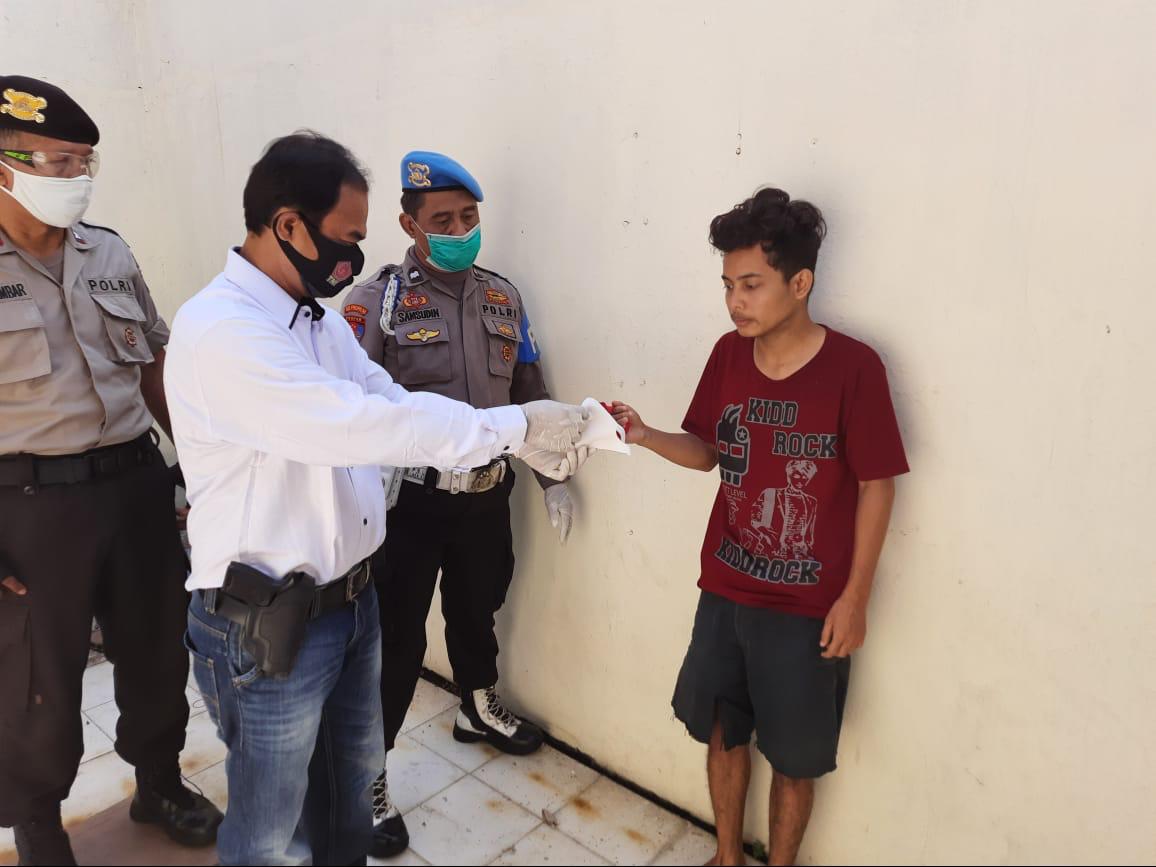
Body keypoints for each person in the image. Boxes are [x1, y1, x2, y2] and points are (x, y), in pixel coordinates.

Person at [164, 131, 587, 866]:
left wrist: (528, 442)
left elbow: (389, 397)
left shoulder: (318, 319)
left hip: (348, 605)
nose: (353, 258)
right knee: (272, 835)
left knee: (346, 809)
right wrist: (518, 427)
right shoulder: (224, 330)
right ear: (288, 225)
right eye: (347, 238)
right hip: (271, 625)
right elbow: (360, 425)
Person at [612, 188, 908, 866]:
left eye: (751, 284)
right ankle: (726, 856)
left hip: (807, 608)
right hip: (726, 588)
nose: (735, 301)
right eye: (727, 285)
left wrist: (855, 597)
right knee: (723, 729)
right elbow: (706, 451)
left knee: (795, 756)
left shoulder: (854, 369)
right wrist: (645, 434)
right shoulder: (728, 355)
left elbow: (877, 485)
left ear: (800, 284)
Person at [0, 75, 222, 866]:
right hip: (30, 504)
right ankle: (38, 823)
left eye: (85, 163)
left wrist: (201, 467)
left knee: (158, 648)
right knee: (38, 677)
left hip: (136, 484)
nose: (78, 179)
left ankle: (158, 782)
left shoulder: (110, 251)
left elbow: (155, 361)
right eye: (59, 162)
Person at [343, 150, 571, 856]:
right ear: (409, 224)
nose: (458, 230)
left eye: (468, 216)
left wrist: (552, 476)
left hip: (486, 496)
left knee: (479, 607)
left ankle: (476, 705)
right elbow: (348, 406)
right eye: (441, 220)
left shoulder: (503, 296)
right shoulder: (376, 300)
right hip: (409, 503)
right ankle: (365, 772)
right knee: (396, 642)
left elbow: (529, 392)